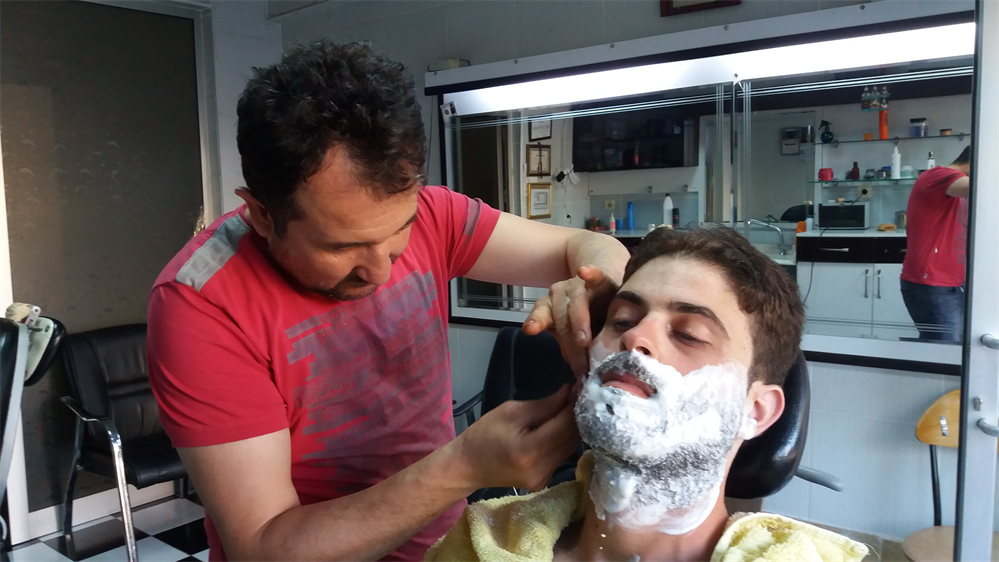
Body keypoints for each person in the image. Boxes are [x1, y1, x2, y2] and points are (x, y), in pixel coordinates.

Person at [147, 41, 630, 562]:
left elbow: (584, 245)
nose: (379, 270)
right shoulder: (199, 306)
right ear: (263, 215)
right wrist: (466, 466)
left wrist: (597, 283)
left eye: (400, 229)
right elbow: (264, 548)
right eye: (342, 247)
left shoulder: (436, 215)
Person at [425, 226, 869, 562]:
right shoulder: (479, 545)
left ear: (756, 411)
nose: (635, 336)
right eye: (621, 319)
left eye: (689, 334)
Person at [900, 146, 971, 342]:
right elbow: (980, 186)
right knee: (944, 351)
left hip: (948, 283)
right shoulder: (937, 175)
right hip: (931, 283)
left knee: (949, 348)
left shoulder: (956, 190)